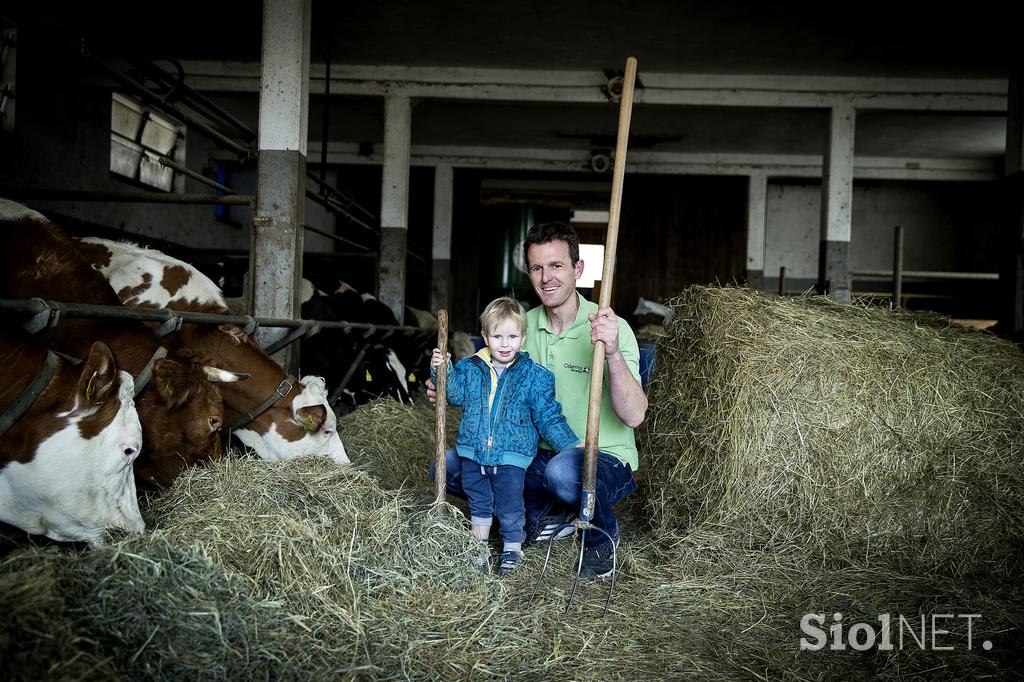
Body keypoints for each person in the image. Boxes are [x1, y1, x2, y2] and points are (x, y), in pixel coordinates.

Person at [429, 222, 648, 580]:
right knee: (451, 466)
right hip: (532, 454)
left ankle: (600, 539)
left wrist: (611, 353)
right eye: (536, 268)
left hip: (599, 457)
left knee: (563, 472)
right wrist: (447, 384)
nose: (546, 278)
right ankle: (552, 513)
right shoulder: (519, 327)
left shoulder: (610, 327)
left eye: (557, 266)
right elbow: (480, 378)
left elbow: (635, 415)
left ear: (578, 269)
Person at [431, 296, 580, 575]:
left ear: (523, 337)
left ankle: (512, 548)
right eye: (497, 336)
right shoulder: (469, 368)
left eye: (512, 336)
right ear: (485, 336)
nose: (504, 343)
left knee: (510, 504)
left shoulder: (534, 376)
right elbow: (452, 394)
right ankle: (478, 548)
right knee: (479, 502)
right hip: (473, 453)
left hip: (512, 458)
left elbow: (548, 416)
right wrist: (442, 369)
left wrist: (572, 446)